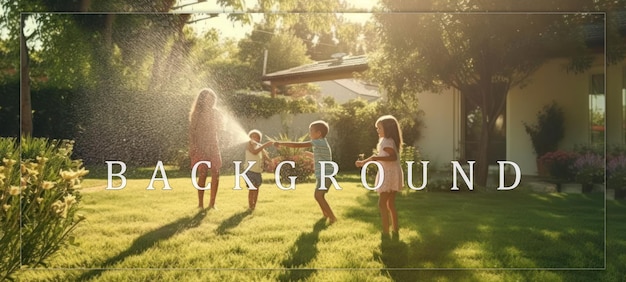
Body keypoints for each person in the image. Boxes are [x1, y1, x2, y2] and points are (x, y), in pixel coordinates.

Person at [274, 120, 337, 224]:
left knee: (318, 196)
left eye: (311, 131)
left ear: (319, 133)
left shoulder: (319, 141)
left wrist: (281, 143)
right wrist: (310, 155)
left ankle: (332, 218)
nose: (309, 133)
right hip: (324, 174)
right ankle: (326, 215)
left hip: (326, 174)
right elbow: (321, 158)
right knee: (319, 196)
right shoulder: (321, 143)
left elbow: (298, 145)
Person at [355, 115, 403, 240]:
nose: (377, 130)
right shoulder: (390, 141)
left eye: (379, 128)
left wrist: (374, 158)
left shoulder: (387, 141)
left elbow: (392, 157)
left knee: (382, 204)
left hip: (388, 174)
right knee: (390, 204)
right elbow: (377, 156)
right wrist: (364, 161)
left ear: (387, 128)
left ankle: (386, 232)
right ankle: (395, 230)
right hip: (393, 173)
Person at [189, 88, 223, 209]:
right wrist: (192, 146)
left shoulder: (216, 113)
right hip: (200, 146)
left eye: (212, 99)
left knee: (216, 173)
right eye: (208, 98)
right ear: (202, 100)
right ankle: (200, 204)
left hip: (213, 145)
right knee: (202, 174)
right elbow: (192, 132)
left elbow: (220, 128)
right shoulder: (196, 113)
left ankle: (212, 204)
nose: (210, 101)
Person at [245, 129, 273, 210]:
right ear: (249, 138)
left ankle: (254, 206)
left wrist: (270, 162)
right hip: (250, 171)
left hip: (258, 172)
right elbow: (254, 152)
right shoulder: (248, 145)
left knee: (256, 189)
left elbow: (266, 157)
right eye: (253, 137)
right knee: (252, 188)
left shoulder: (260, 147)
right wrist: (265, 145)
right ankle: (250, 206)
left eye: (257, 138)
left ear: (259, 139)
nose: (255, 139)